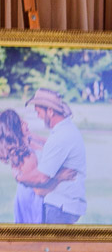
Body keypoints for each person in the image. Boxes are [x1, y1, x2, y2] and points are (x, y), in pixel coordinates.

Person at [0, 108, 78, 224]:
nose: (26, 123)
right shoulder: (26, 157)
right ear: (14, 130)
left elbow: (52, 145)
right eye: (22, 123)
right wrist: (60, 177)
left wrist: (29, 135)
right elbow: (39, 190)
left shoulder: (26, 144)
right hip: (32, 201)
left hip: (32, 198)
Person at [18, 88, 86, 223]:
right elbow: (51, 147)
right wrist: (32, 138)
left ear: (50, 111)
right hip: (64, 206)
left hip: (59, 208)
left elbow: (41, 178)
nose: (38, 116)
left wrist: (20, 177)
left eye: (39, 112)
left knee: (51, 244)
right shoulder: (65, 130)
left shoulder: (61, 137)